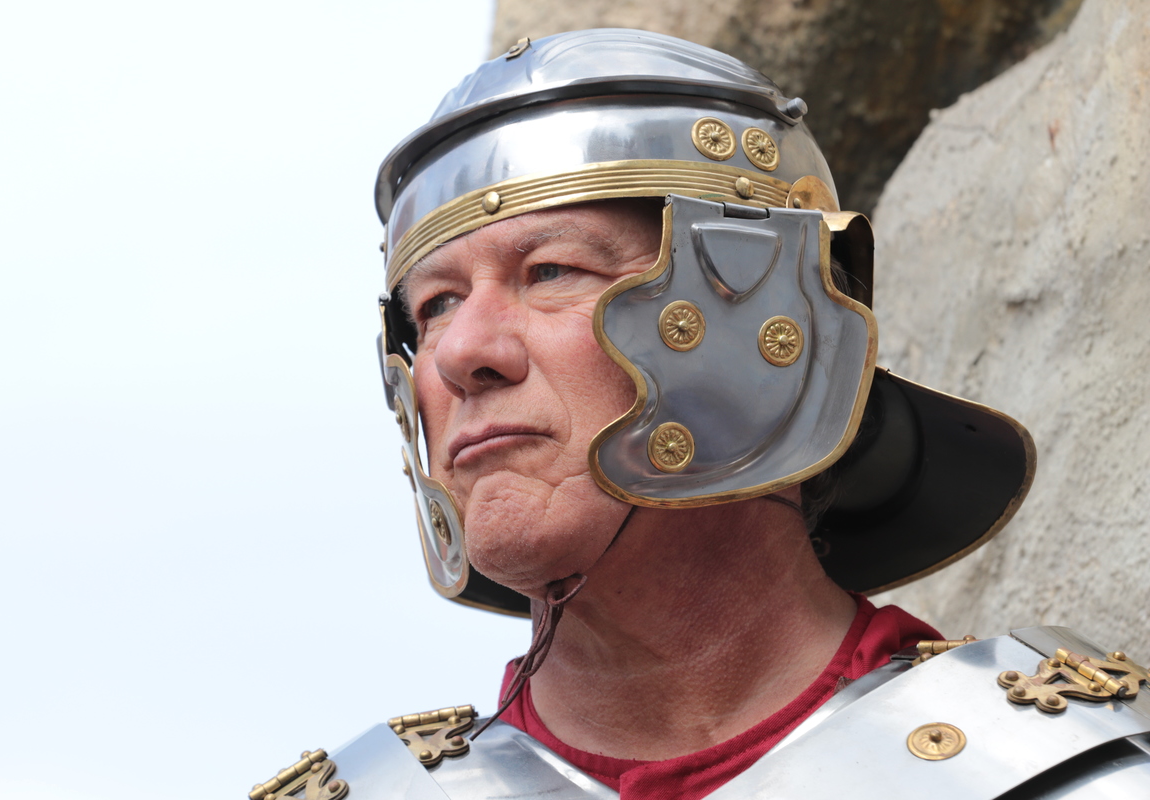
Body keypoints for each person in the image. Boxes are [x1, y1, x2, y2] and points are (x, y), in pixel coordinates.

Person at [248, 29, 1150, 800]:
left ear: (758, 320)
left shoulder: (1057, 771)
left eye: (551, 271)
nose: (458, 354)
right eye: (435, 306)